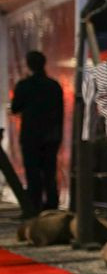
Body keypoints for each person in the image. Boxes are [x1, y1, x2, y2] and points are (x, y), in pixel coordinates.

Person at [11, 50, 64, 214]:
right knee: (49, 172)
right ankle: (52, 206)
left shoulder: (24, 85)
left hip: (31, 136)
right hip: (51, 136)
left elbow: (15, 108)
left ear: (29, 65)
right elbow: (60, 112)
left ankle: (34, 206)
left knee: (33, 172)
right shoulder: (54, 86)